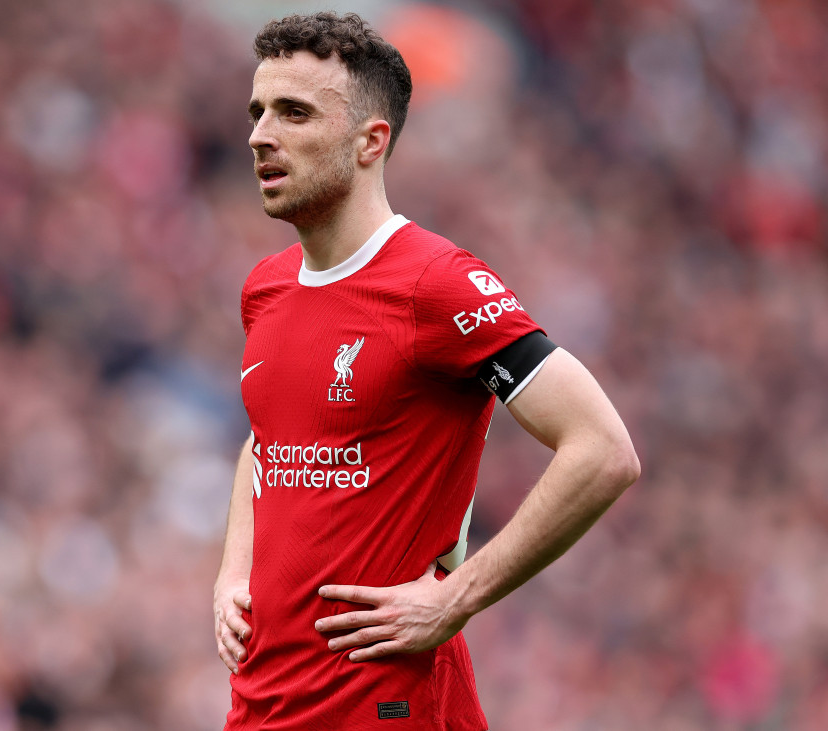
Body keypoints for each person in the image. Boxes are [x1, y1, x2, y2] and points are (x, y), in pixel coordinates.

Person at [213, 11, 640, 730]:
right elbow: (270, 438)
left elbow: (603, 449)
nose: (260, 134)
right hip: (263, 704)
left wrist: (455, 598)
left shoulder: (436, 285)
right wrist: (233, 569)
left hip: (385, 706)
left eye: (294, 112)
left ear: (370, 141)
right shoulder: (267, 287)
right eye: (258, 112)